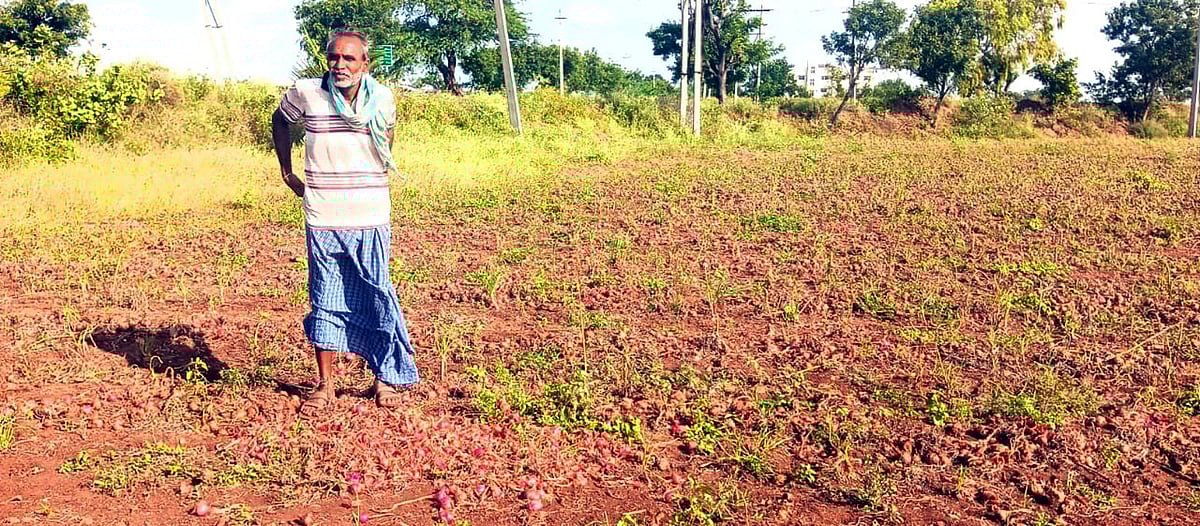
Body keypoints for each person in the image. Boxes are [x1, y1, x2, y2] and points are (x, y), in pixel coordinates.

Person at [271, 31, 419, 416]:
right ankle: (325, 385)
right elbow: (280, 120)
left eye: (350, 59)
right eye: (334, 57)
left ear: (365, 64)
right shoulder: (306, 92)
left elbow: (387, 142)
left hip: (370, 212)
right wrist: (288, 174)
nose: (340, 65)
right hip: (323, 214)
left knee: (376, 294)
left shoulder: (382, 98)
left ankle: (384, 379)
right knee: (326, 296)